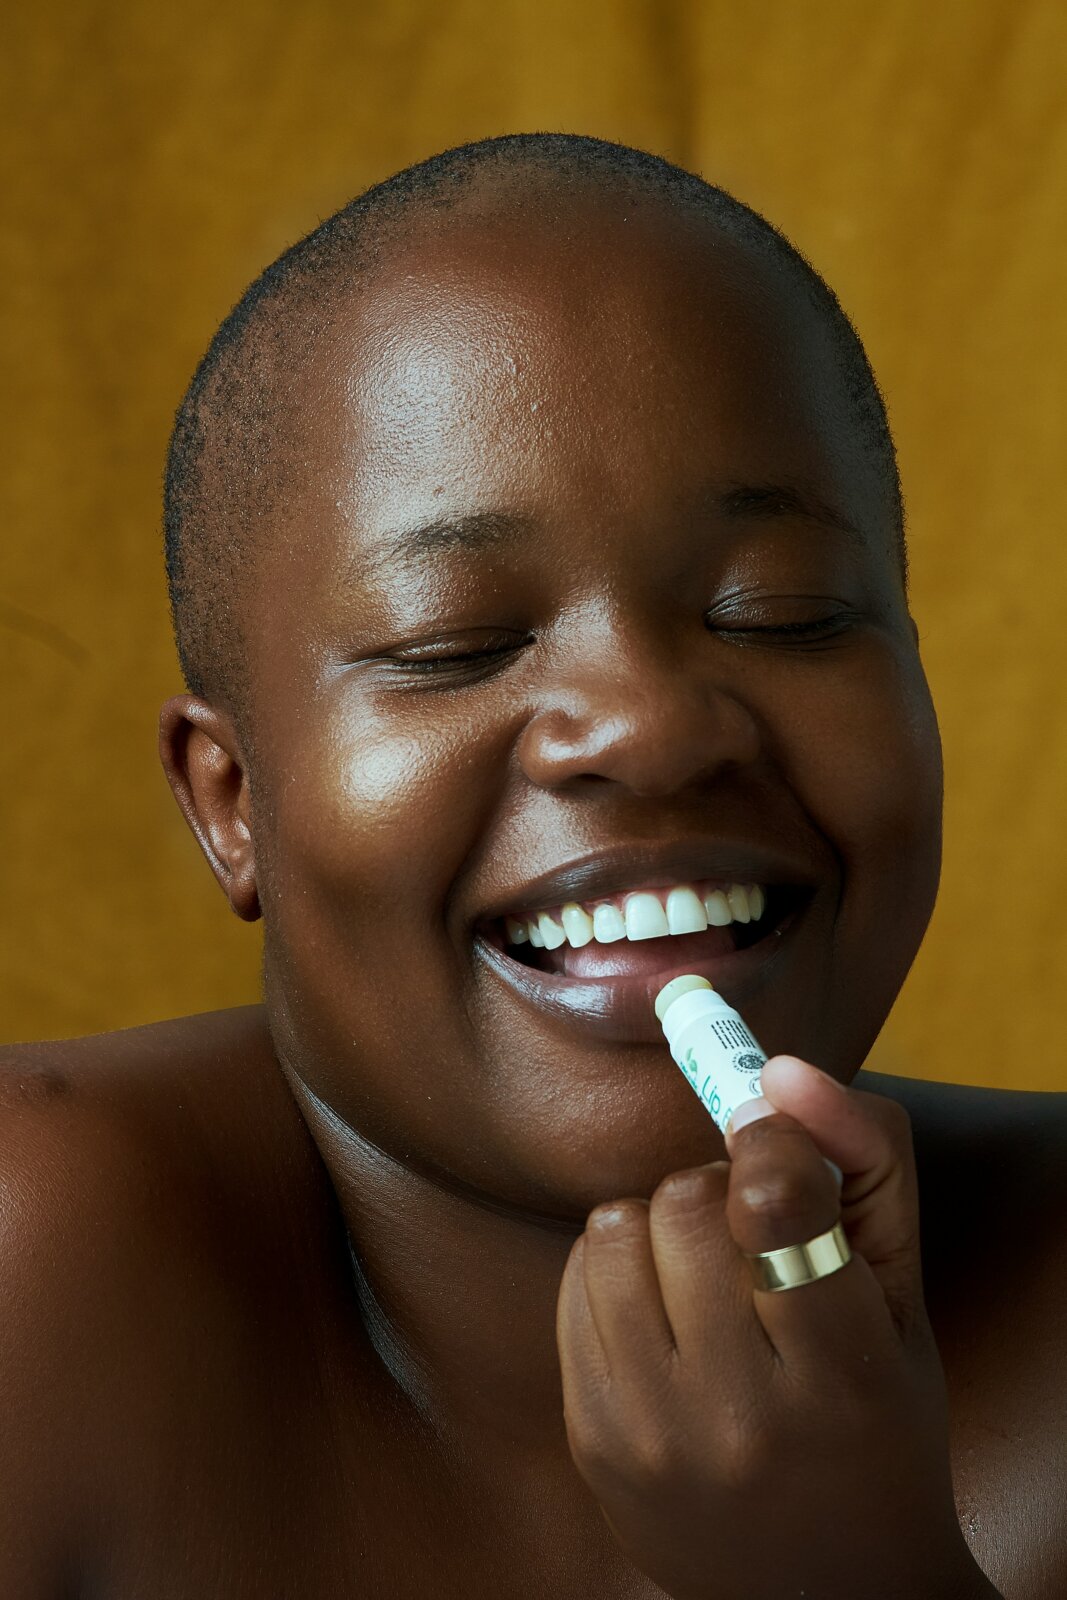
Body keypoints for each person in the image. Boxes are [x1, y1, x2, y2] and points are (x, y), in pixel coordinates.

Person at [1, 133, 1063, 1599]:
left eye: (785, 613)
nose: (650, 723)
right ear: (231, 800)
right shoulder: (33, 1269)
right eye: (454, 645)